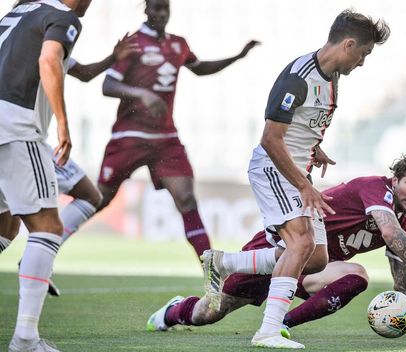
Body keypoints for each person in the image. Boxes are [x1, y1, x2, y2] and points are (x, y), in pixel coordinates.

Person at [202, 8, 390, 349]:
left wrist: (315, 148)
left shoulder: (332, 79)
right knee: (300, 243)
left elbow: (304, 125)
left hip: (298, 171)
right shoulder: (297, 78)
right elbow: (271, 139)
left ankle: (224, 262)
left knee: (316, 258)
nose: (362, 62)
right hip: (274, 168)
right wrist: (304, 185)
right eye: (363, 54)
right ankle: (268, 331)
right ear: (349, 45)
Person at [147, 153, 406, 343]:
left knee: (357, 275)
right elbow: (390, 230)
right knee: (208, 313)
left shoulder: (399, 226)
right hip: (281, 250)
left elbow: (403, 285)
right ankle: (171, 312)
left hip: (313, 266)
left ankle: (281, 325)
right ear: (394, 180)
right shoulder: (375, 189)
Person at [97, 0, 260, 262]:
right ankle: (47, 244)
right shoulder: (133, 43)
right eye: (156, 8)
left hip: (165, 138)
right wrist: (141, 93)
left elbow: (200, 68)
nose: (161, 13)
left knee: (187, 201)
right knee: (99, 199)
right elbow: (108, 85)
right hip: (130, 136)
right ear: (146, 9)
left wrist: (237, 57)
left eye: (165, 9)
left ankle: (211, 271)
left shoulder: (179, 44)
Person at [0, 35, 139, 297]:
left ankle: (37, 259)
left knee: (8, 229)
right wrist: (63, 125)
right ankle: (38, 264)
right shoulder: (46, 42)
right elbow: (59, 65)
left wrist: (112, 56)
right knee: (87, 198)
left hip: (11, 137)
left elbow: (84, 72)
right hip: (23, 139)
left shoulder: (16, 38)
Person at [0, 0, 92, 350]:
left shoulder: (18, 11)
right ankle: (25, 339)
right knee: (48, 228)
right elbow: (49, 59)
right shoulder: (62, 17)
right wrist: (63, 126)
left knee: (5, 227)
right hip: (17, 128)